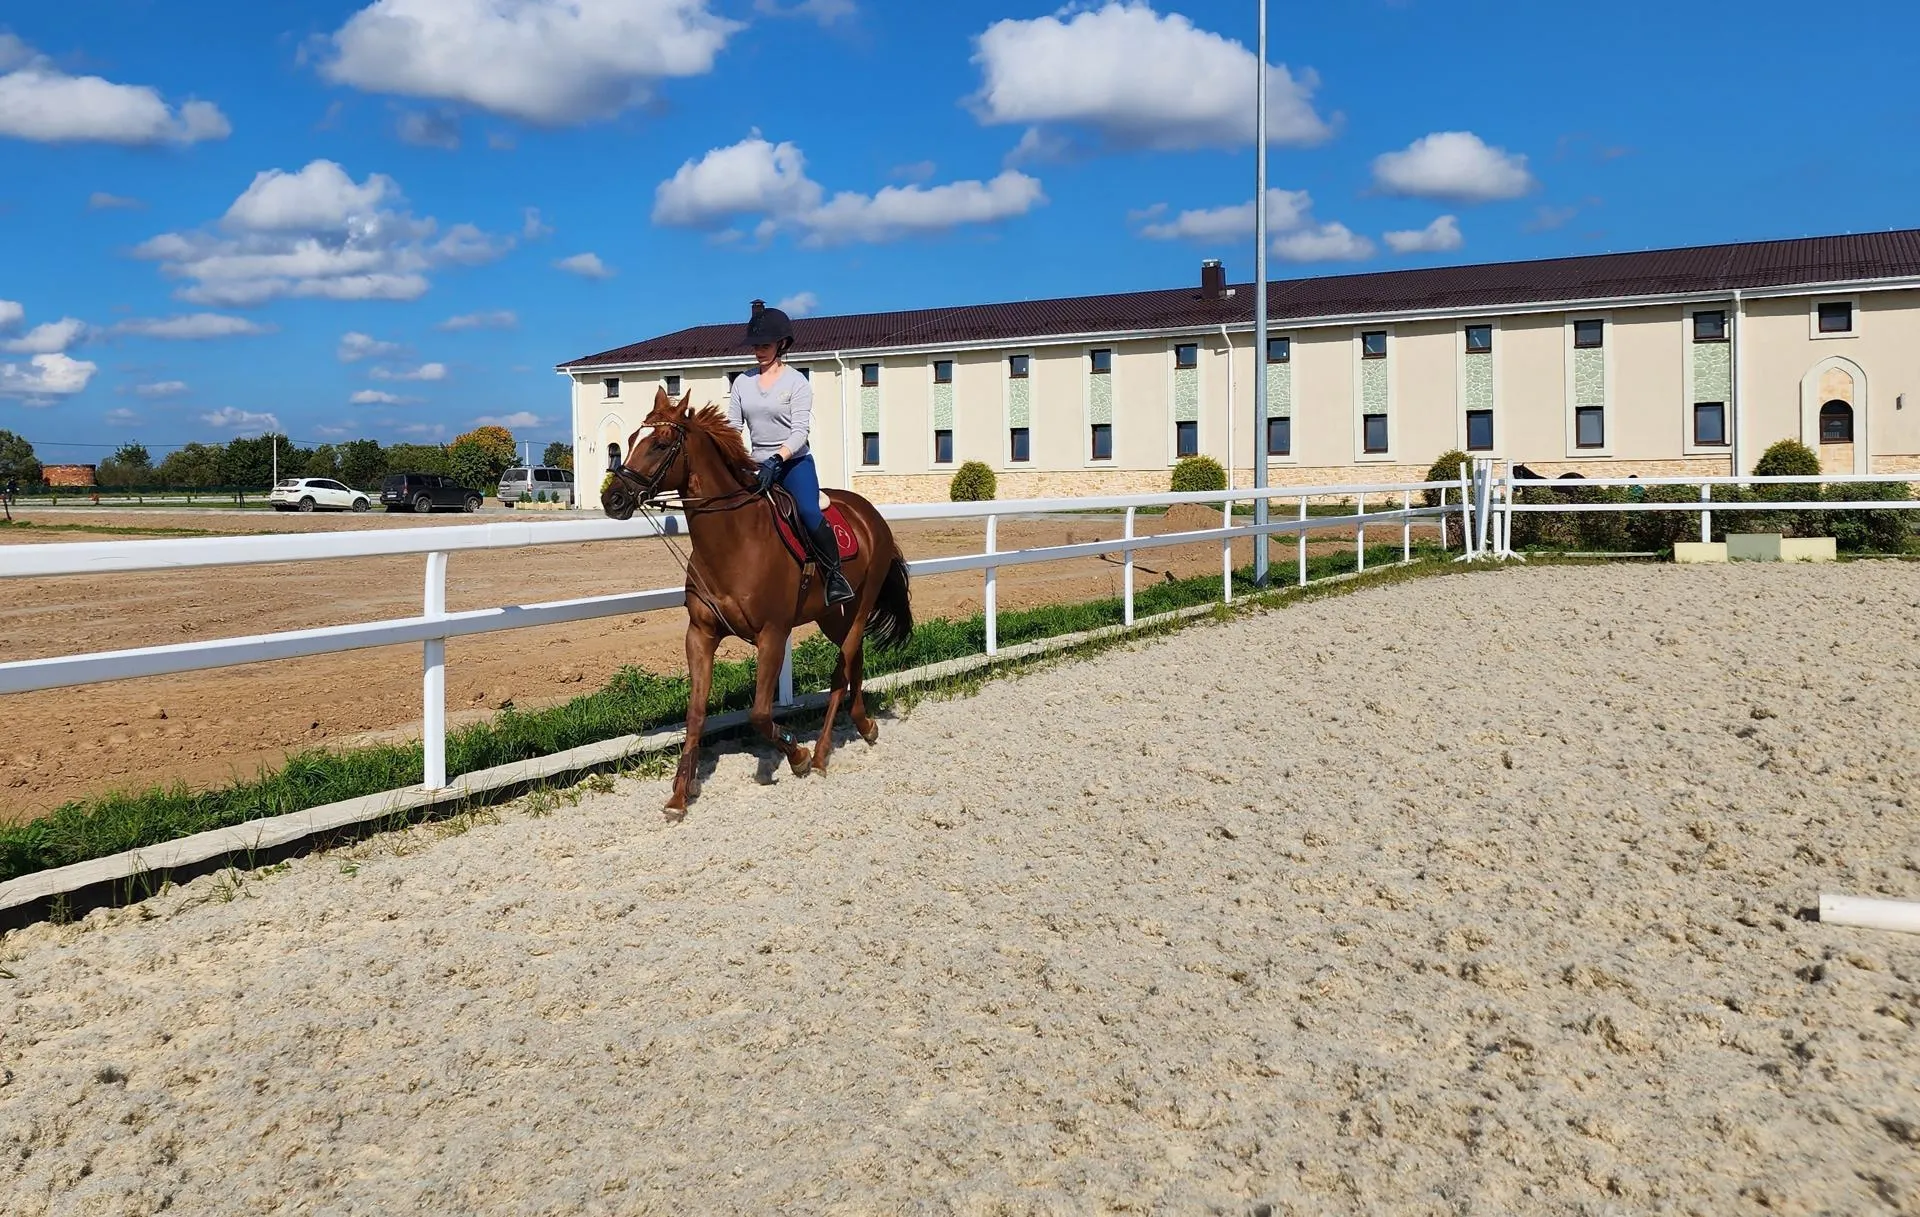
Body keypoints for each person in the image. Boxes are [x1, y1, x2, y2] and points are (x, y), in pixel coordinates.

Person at [728, 300, 855, 606]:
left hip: (793, 463)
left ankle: (835, 576)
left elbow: (800, 432)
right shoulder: (742, 382)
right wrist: (735, 459)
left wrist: (778, 457)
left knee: (809, 512)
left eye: (765, 344)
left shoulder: (797, 382)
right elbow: (733, 427)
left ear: (782, 344)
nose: (759, 350)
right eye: (755, 345)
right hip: (756, 465)